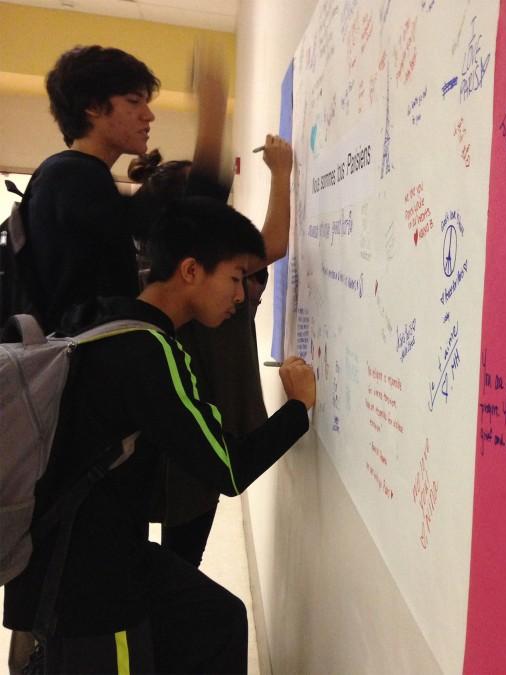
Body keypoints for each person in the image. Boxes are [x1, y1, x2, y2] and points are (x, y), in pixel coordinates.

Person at [2, 196, 316, 674]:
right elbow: (227, 468)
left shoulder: (104, 318)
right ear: (191, 270)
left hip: (75, 557)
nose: (241, 296)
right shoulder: (150, 350)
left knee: (218, 619)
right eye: (235, 278)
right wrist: (297, 408)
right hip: (93, 586)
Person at [126, 52, 293, 568]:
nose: (240, 291)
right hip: (192, 460)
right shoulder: (183, 296)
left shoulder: (149, 287)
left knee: (156, 568)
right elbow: (271, 243)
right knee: (168, 569)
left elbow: (267, 246)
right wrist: (277, 170)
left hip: (172, 463)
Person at [22, 45, 161, 333]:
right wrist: (212, 125)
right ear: (93, 107)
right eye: (134, 101)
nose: (148, 116)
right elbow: (152, 220)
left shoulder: (70, 174)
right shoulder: (73, 175)